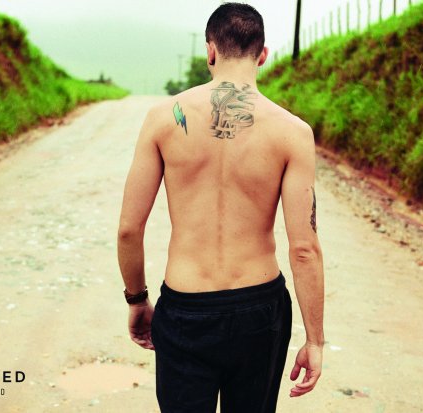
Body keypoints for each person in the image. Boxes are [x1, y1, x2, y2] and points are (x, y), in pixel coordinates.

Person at [117, 3, 324, 412]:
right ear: (263, 56)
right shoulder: (293, 132)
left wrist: (137, 299)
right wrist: (315, 340)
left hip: (185, 307)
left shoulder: (162, 119)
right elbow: (304, 248)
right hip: (259, 310)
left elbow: (128, 229)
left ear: (210, 51)